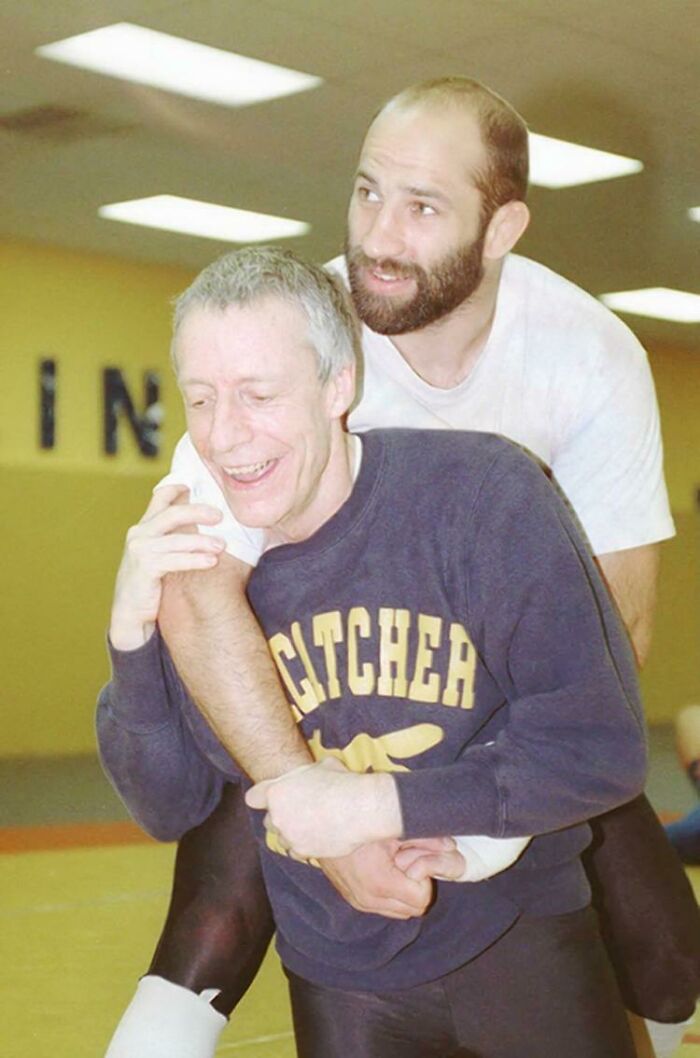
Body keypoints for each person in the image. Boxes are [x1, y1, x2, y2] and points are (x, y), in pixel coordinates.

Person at [102, 77, 699, 1058]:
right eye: (368, 190)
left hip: (501, 721)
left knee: (665, 959)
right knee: (210, 910)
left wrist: (467, 823)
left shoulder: (585, 358)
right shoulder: (288, 341)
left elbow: (614, 635)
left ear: (501, 226)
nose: (378, 234)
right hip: (316, 702)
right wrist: (320, 802)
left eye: (422, 206)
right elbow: (201, 594)